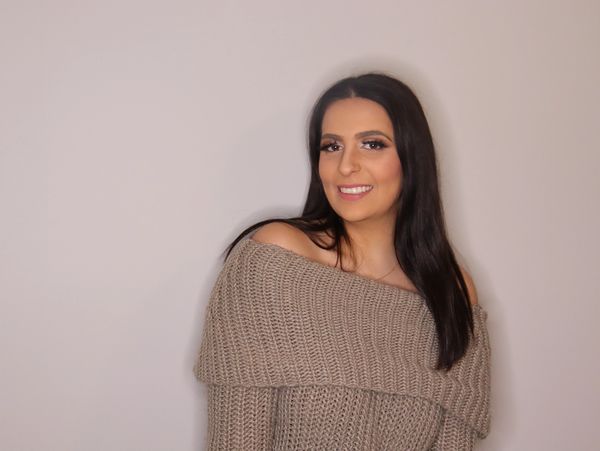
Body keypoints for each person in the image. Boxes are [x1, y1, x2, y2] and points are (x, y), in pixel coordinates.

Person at [194, 72, 491, 450]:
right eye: (331, 146)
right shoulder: (274, 264)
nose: (346, 165)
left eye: (372, 144)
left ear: (411, 158)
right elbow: (236, 440)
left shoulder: (451, 293)